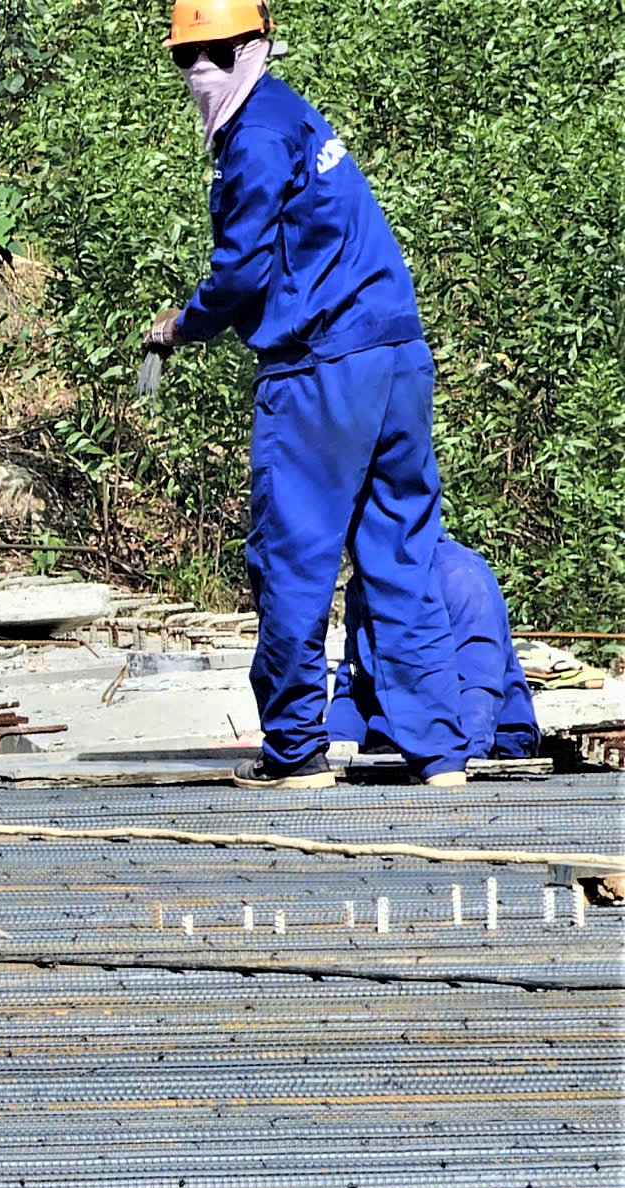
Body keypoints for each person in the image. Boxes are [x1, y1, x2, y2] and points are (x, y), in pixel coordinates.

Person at [144, 0, 467, 789]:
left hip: (324, 368)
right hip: (397, 354)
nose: (202, 71)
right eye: (188, 57)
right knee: (402, 552)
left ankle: (295, 751)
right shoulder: (292, 111)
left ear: (254, 45)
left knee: (294, 554)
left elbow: (242, 269)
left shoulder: (255, 135)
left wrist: (183, 323)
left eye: (217, 53)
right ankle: (439, 752)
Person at [329, 537, 538, 764]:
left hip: (483, 738)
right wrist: (337, 745)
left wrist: (463, 762)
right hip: (397, 738)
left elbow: (479, 683)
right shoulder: (363, 583)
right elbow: (353, 681)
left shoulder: (458, 573)